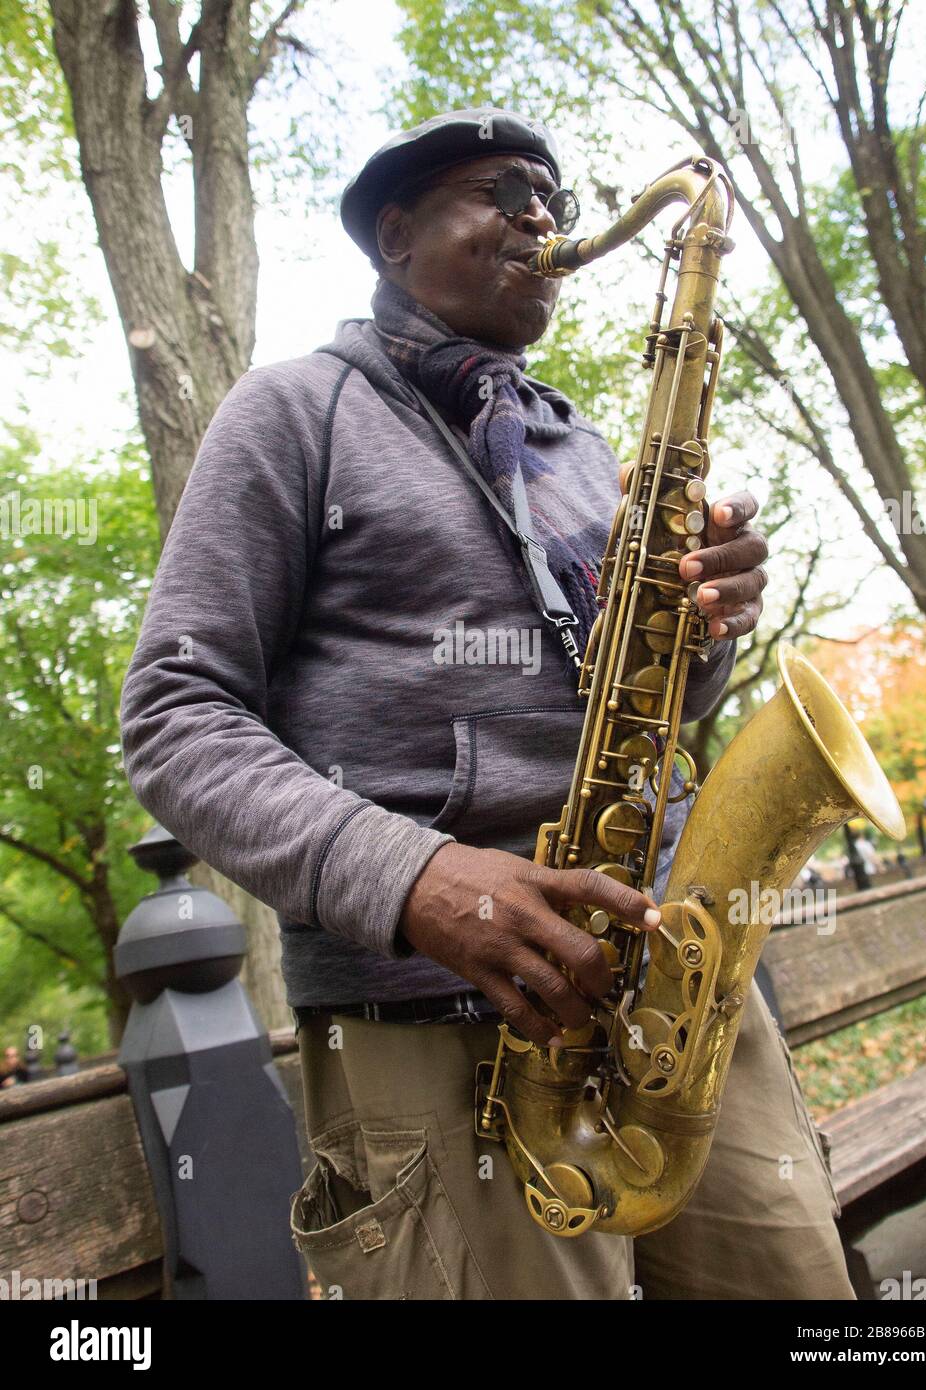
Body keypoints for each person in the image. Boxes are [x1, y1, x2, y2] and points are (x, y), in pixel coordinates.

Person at [120, 108, 852, 1300]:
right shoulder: (291, 410)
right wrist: (411, 877)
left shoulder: (579, 442)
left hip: (673, 1000)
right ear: (395, 233)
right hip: (439, 1027)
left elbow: (642, 707)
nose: (542, 221)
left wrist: (704, 624)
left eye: (553, 199)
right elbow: (174, 708)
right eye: (502, 192)